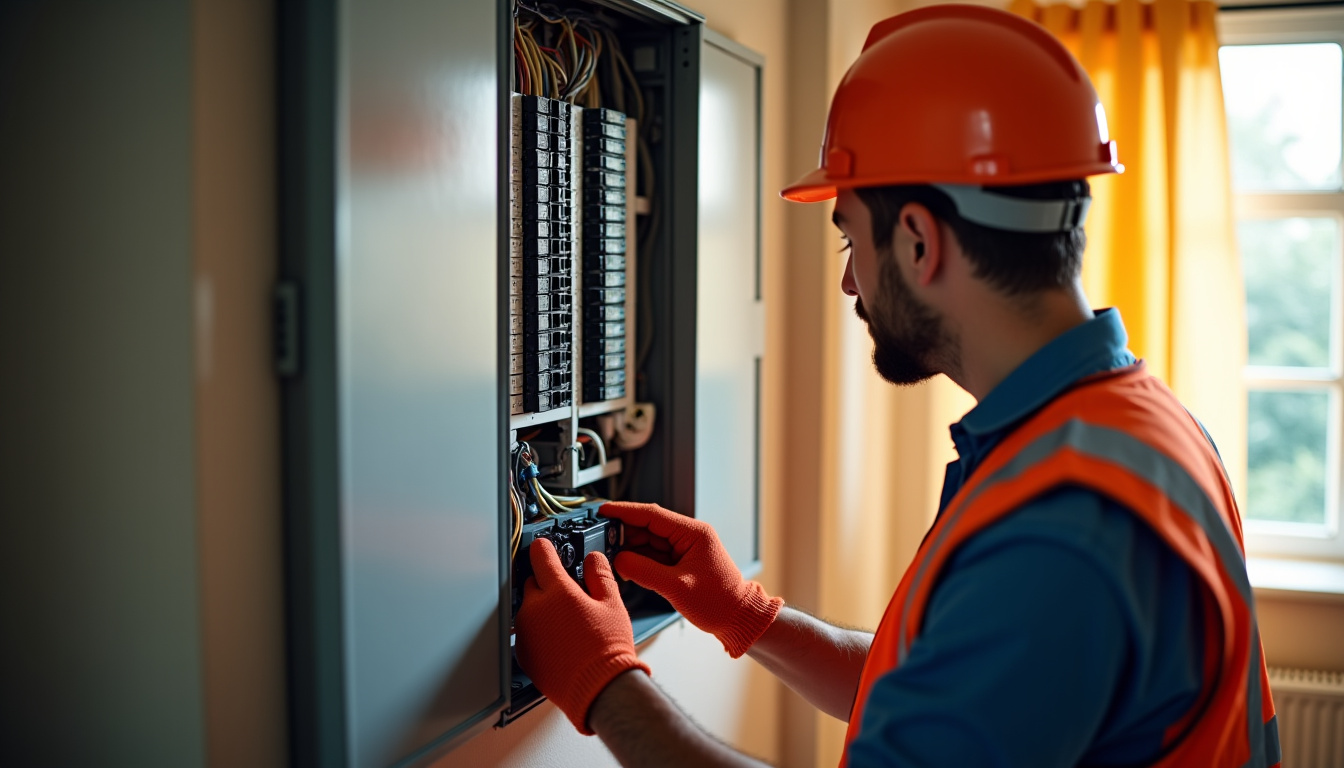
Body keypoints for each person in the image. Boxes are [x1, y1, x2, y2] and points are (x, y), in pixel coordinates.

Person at [514, 6, 1281, 767]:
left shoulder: (1065, 523)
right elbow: (942, 699)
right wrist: (744, 613)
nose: (850, 280)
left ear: (918, 239)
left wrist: (604, 683)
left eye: (851, 237)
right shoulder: (1125, 433)